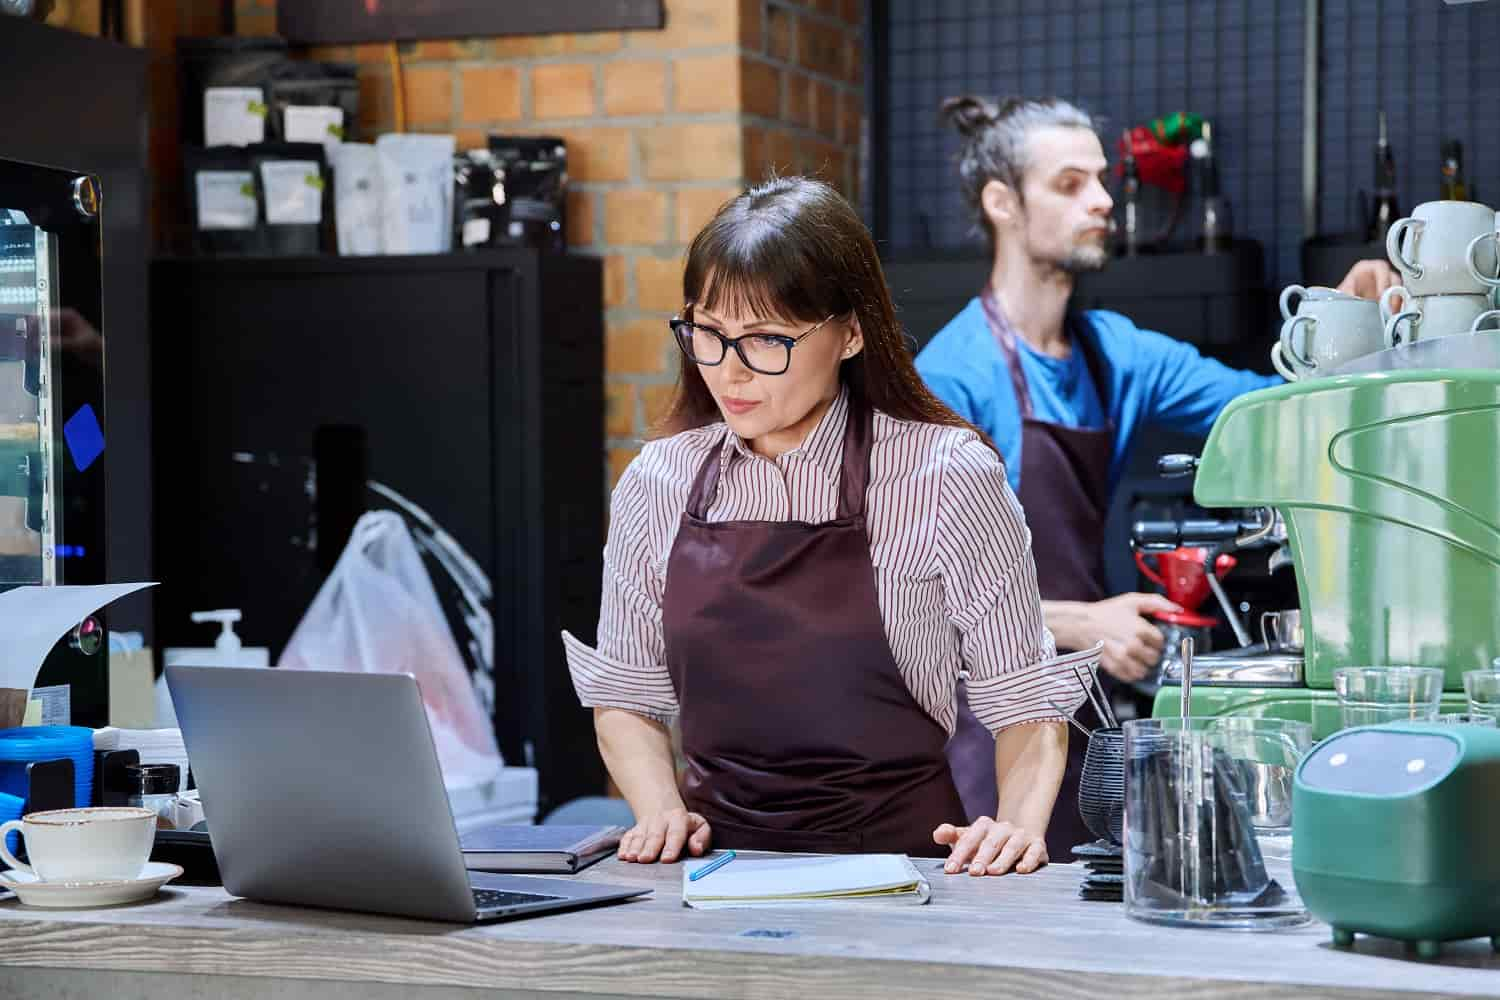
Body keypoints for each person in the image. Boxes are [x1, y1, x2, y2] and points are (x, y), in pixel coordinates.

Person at [562, 176, 1100, 877]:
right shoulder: (657, 482)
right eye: (709, 335)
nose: (731, 372)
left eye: (767, 341)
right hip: (711, 879)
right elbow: (628, 697)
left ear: (849, 333)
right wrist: (659, 808)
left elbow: (1024, 701)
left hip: (905, 882)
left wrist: (1017, 830)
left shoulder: (945, 473)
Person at [914, 95, 1400, 860]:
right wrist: (1081, 624)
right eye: (1070, 184)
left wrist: (1346, 318)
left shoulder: (1113, 353)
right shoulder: (950, 378)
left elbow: (1269, 411)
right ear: (1002, 204)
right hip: (980, 735)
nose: (1104, 200)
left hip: (1078, 713)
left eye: (1102, 180)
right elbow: (910, 598)